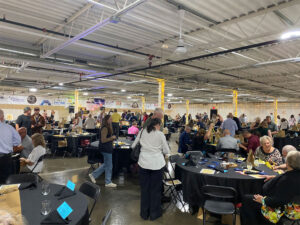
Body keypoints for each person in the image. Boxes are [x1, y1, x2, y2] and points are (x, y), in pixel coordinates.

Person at [240, 151, 300, 225]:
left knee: (247, 199)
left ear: (287, 163)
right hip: (294, 209)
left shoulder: (287, 180)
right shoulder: (293, 175)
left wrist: (262, 200)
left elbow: (278, 201)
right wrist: (275, 177)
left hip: (283, 211)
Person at [132, 118, 170, 220]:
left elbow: (133, 145)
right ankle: (154, 214)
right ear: (157, 125)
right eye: (160, 125)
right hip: (157, 165)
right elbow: (166, 150)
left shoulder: (142, 132)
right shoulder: (160, 134)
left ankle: (144, 214)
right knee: (155, 190)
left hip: (143, 163)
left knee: (145, 190)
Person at [89, 115, 117, 188]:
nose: (111, 120)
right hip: (105, 149)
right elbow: (103, 140)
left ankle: (94, 175)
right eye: (110, 119)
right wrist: (112, 138)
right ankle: (107, 182)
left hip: (107, 148)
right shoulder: (104, 128)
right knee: (109, 165)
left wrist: (111, 142)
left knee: (107, 165)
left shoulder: (108, 127)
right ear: (107, 120)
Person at [0, 109, 21, 183]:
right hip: (5, 158)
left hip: (5, 157)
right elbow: (18, 141)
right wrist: (9, 143)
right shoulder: (9, 128)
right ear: (2, 117)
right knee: (6, 181)